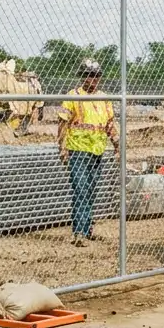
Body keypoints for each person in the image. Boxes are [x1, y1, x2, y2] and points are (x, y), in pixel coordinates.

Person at [58, 59, 118, 247]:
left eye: (96, 75)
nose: (93, 79)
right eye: (89, 75)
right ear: (83, 77)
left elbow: (109, 124)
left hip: (97, 150)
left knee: (90, 190)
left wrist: (117, 144)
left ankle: (87, 227)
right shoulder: (73, 96)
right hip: (78, 149)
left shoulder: (104, 97)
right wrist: (62, 147)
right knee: (81, 189)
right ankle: (79, 232)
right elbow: (62, 123)